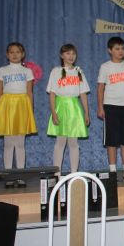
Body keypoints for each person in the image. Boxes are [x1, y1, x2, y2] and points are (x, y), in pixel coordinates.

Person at [0, 42, 37, 186]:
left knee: (20, 143)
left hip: (22, 105)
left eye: (17, 52)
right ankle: (9, 176)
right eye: (11, 52)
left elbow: (30, 92)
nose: (15, 54)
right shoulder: (2, 70)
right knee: (8, 143)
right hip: (7, 106)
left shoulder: (27, 71)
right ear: (7, 54)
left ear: (22, 54)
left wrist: (30, 111)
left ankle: (20, 175)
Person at [97, 36, 124, 181]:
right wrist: (100, 107)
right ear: (110, 50)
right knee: (112, 140)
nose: (120, 51)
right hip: (110, 106)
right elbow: (100, 88)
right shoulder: (105, 67)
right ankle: (113, 172)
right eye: (117, 49)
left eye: (122, 48)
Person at [46, 44, 90, 175]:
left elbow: (83, 94)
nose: (71, 56)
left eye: (73, 53)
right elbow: (52, 94)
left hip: (74, 108)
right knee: (60, 142)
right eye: (68, 53)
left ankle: (74, 173)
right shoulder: (56, 71)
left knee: (73, 143)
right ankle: (57, 173)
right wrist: (54, 113)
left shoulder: (79, 72)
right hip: (61, 107)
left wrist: (86, 113)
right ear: (62, 55)